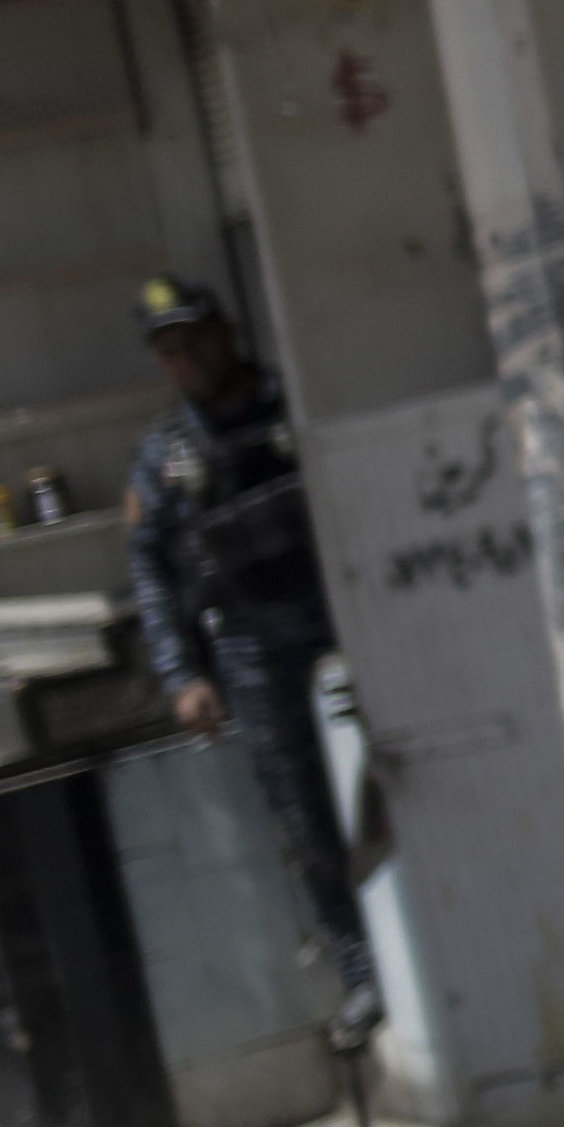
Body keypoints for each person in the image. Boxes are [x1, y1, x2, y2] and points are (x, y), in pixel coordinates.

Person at [122, 279, 378, 1046]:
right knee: (302, 814)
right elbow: (152, 570)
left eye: (197, 339)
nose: (189, 359)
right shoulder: (166, 456)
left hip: (346, 618)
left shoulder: (295, 399)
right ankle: (362, 969)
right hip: (251, 641)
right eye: (171, 351)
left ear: (227, 330)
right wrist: (182, 676)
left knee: (402, 778)